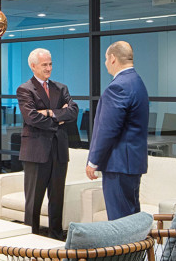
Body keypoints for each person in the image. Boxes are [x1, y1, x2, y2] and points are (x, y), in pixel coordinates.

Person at [16, 48, 79, 240]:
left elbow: (74, 112)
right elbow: (32, 118)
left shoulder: (61, 88)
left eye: (50, 64)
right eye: (45, 65)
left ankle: (56, 237)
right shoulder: (25, 89)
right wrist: (59, 116)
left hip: (58, 150)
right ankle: (31, 237)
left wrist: (50, 113)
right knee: (33, 200)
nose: (49, 68)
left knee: (57, 198)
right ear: (33, 66)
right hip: (36, 152)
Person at [86, 41, 150, 220]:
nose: (106, 63)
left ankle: (126, 249)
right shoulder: (137, 81)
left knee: (120, 222)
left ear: (113, 58)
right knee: (131, 220)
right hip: (131, 163)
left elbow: (108, 129)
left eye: (106, 59)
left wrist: (93, 161)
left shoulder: (118, 86)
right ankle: (136, 249)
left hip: (119, 164)